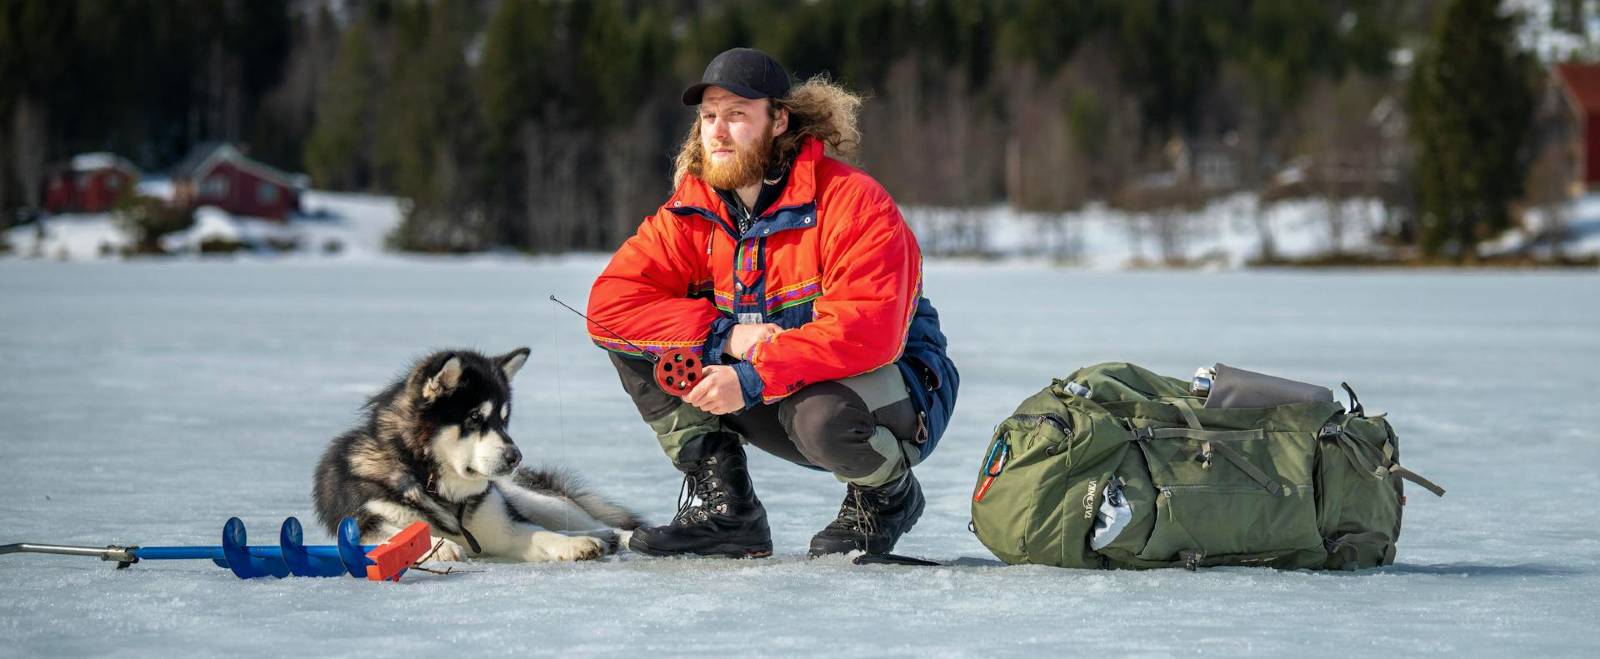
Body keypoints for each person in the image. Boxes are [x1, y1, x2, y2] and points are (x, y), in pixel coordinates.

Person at [586, 47, 957, 558]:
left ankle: (887, 495)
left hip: (895, 393)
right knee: (638, 341)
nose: (716, 131)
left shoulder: (853, 202)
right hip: (774, 385)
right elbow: (611, 304)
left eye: (737, 115)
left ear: (779, 120)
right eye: (709, 116)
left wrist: (752, 378)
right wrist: (725, 336)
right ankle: (728, 511)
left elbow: (868, 331)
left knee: (819, 415)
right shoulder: (694, 210)